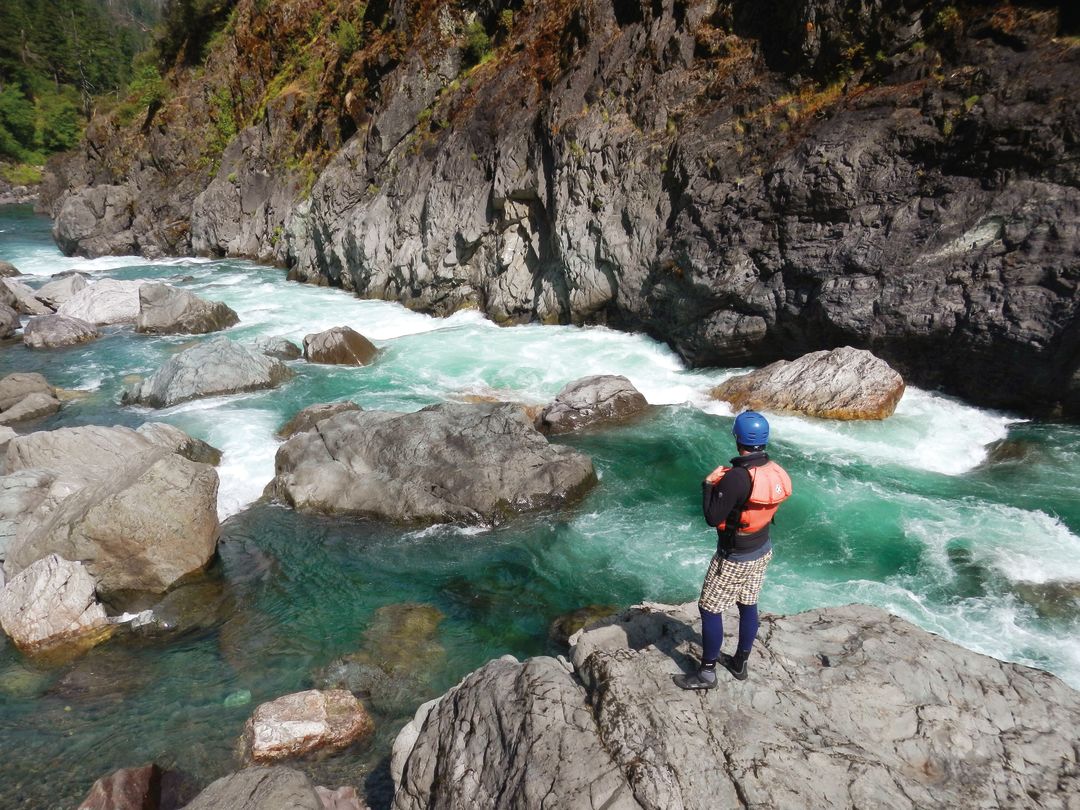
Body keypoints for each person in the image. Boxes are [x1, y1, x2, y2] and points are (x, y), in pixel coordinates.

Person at [674, 410, 791, 689]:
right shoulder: (773, 470)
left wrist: (708, 485)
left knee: (709, 609)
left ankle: (707, 673)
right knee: (748, 603)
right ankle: (740, 663)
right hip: (762, 549)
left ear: (738, 438)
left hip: (734, 557)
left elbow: (712, 517)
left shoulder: (737, 478)